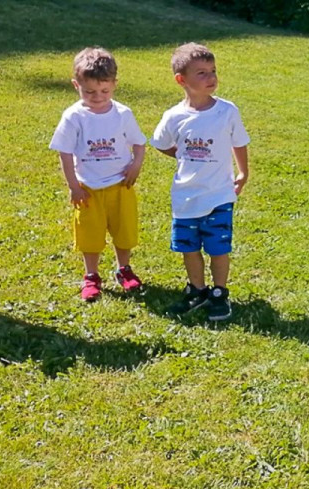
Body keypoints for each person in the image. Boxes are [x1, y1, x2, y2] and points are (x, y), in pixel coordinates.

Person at [152, 43, 250, 323]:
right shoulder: (174, 116)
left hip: (219, 194)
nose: (211, 78)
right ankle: (197, 290)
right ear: (181, 80)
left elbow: (239, 143)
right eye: (202, 73)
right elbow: (160, 143)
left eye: (213, 71)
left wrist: (242, 173)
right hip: (185, 197)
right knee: (189, 247)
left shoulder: (227, 111)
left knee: (219, 248)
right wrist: (180, 155)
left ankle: (219, 293)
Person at [49, 48, 147, 301]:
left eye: (105, 91)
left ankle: (124, 269)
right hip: (88, 189)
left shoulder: (123, 113)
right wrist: (73, 186)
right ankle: (91, 276)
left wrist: (136, 165)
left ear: (114, 84)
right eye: (89, 91)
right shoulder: (73, 116)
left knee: (124, 231)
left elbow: (139, 143)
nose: (98, 97)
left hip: (120, 186)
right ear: (76, 85)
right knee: (89, 235)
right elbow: (65, 153)